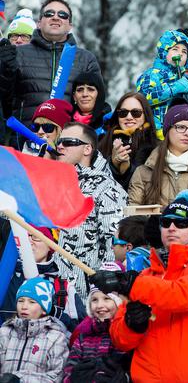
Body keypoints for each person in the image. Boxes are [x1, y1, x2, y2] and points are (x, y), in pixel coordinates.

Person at [96, 189, 188, 382]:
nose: (172, 228)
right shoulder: (146, 276)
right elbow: (119, 340)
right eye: (166, 223)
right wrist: (132, 326)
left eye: (181, 223)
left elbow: (180, 295)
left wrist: (130, 283)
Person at [0, 0, 102, 127]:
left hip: (70, 141)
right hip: (25, 137)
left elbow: (96, 102)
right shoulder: (18, 54)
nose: (55, 17)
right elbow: (4, 101)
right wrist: (3, 70)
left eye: (63, 15)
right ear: (39, 23)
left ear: (70, 25)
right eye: (49, 14)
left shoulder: (86, 59)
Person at [55, 122, 127, 297]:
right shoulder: (55, 184)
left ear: (87, 149)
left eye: (68, 142)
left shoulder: (107, 188)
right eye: (59, 141)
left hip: (86, 296)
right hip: (53, 292)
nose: (60, 146)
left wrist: (102, 294)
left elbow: (114, 244)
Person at [127, 104, 188, 215]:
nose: (187, 133)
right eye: (180, 127)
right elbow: (132, 216)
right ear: (167, 130)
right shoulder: (143, 172)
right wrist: (161, 219)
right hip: (152, 232)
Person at [0, 227, 83, 331]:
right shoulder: (4, 276)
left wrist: (54, 312)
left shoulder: (64, 289)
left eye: (35, 236)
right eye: (24, 236)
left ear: (50, 245)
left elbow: (79, 333)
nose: (28, 241)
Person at [136, 29, 188, 138]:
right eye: (175, 49)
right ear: (164, 51)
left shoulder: (182, 76)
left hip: (176, 131)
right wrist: (173, 89)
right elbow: (144, 97)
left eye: (184, 52)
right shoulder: (152, 75)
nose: (180, 54)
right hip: (153, 133)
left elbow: (187, 86)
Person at [63, 262, 128, 383]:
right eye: (94, 300)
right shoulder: (83, 336)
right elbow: (69, 369)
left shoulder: (126, 335)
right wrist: (73, 378)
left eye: (107, 298)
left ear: (119, 302)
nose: (100, 305)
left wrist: (125, 378)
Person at [0, 277, 69, 382]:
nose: (24, 306)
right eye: (20, 301)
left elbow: (57, 375)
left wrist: (21, 380)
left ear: (44, 309)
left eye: (32, 302)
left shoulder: (56, 337)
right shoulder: (5, 331)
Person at [98, 91, 158, 190]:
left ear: (145, 115)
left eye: (136, 113)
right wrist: (113, 163)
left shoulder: (155, 147)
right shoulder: (102, 142)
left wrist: (126, 168)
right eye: (123, 113)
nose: (129, 117)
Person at [69, 71, 111, 135]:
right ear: (74, 97)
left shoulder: (110, 122)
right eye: (80, 90)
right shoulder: (64, 121)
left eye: (90, 89)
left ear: (99, 95)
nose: (85, 94)